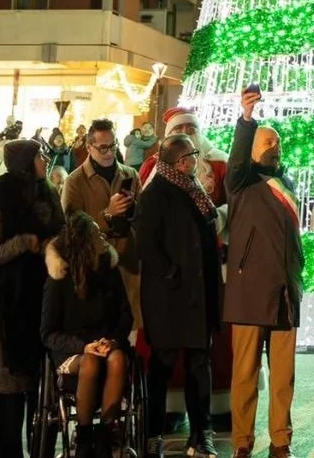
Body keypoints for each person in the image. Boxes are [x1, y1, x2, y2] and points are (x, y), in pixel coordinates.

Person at [225, 89, 304, 458]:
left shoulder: (286, 184)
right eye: (268, 141)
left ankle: (280, 440)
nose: (276, 146)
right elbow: (237, 159)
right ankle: (242, 442)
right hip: (249, 290)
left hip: (285, 291)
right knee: (245, 374)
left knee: (283, 376)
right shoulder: (242, 181)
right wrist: (246, 120)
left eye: (278, 141)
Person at [135, 134, 222, 458]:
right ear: (179, 162)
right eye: (192, 155)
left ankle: (201, 435)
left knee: (200, 366)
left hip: (197, 295)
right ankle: (153, 433)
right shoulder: (156, 193)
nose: (196, 160)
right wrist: (171, 272)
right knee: (162, 366)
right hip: (169, 299)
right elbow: (146, 244)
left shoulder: (193, 189)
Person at [0, 140, 65, 458]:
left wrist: (53, 244)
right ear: (25, 162)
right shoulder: (2, 196)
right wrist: (23, 243)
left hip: (43, 300)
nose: (45, 160)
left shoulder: (48, 193)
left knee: (41, 390)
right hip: (11, 305)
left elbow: (62, 228)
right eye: (39, 156)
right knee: (10, 392)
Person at [41, 212, 132, 458]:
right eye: (95, 232)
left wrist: (112, 340)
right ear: (84, 242)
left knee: (117, 359)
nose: (101, 235)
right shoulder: (59, 279)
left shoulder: (109, 271)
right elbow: (48, 333)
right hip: (73, 349)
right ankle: (83, 435)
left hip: (106, 342)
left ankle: (105, 434)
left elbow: (125, 315)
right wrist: (84, 346)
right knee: (90, 363)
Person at [62, 119, 143, 334]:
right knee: (101, 331)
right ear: (89, 147)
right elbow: (71, 229)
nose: (109, 152)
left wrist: (133, 209)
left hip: (128, 264)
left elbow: (143, 219)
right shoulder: (75, 181)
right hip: (95, 266)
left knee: (131, 328)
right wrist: (107, 214)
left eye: (113, 145)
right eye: (103, 147)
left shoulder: (130, 175)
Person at [139, 108, 228, 207]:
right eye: (178, 128)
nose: (185, 132)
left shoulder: (220, 162)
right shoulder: (151, 164)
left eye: (191, 128)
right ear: (169, 136)